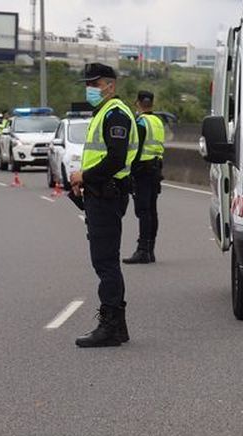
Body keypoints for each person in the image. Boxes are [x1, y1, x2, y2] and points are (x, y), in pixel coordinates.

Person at [70, 63, 137, 349]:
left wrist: (84, 176)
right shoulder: (104, 113)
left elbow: (115, 159)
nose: (90, 89)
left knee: (105, 262)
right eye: (88, 84)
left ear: (110, 85)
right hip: (101, 194)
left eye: (95, 84)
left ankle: (109, 325)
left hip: (107, 196)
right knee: (107, 261)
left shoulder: (116, 114)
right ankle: (118, 327)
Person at [124, 90, 165, 265]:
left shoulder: (140, 123)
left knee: (143, 212)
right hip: (155, 169)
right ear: (152, 103)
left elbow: (135, 150)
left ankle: (142, 251)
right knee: (151, 210)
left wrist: (129, 172)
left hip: (142, 171)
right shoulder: (158, 122)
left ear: (137, 103)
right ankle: (150, 250)